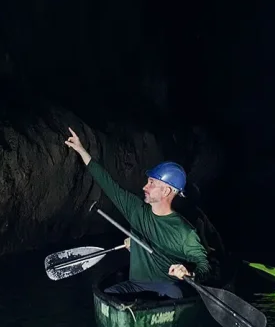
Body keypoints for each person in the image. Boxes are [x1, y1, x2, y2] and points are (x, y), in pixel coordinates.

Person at [65, 127, 210, 299]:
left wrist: (189, 272)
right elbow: (108, 184)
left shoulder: (185, 232)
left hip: (168, 288)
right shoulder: (136, 210)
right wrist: (82, 150)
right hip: (135, 285)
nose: (144, 187)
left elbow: (204, 266)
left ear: (166, 191)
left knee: (176, 294)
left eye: (151, 183)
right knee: (109, 295)